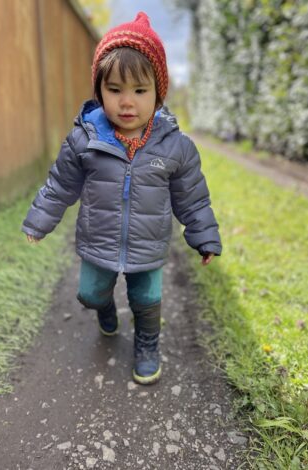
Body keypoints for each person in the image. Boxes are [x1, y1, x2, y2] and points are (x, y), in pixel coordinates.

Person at [22, 12, 222, 385]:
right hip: (99, 240)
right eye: (115, 90)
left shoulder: (176, 147)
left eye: (140, 91)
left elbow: (192, 199)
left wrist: (204, 235)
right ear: (99, 90)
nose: (126, 103)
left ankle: (147, 345)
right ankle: (104, 310)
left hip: (147, 246)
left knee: (147, 302)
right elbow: (60, 185)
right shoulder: (85, 140)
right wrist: (38, 221)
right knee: (90, 294)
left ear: (158, 93)